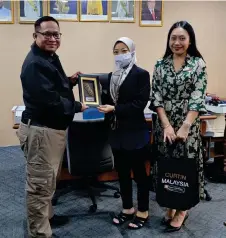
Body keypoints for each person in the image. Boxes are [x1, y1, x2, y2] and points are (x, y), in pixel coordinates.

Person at [16, 16, 88, 238]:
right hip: (41, 132)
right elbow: (51, 102)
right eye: (46, 33)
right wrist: (78, 105)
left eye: (56, 34)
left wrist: (70, 82)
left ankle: (47, 218)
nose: (52, 38)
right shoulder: (35, 63)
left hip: (50, 132)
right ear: (35, 35)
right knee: (39, 187)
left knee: (48, 181)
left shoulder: (47, 58)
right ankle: (39, 233)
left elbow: (53, 85)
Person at [150, 21, 207, 232]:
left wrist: (185, 126)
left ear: (190, 40)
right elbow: (155, 95)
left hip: (188, 124)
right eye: (173, 38)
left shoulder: (198, 65)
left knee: (185, 165)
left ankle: (182, 209)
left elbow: (197, 98)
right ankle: (170, 203)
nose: (177, 42)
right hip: (164, 122)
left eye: (182, 38)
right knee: (167, 164)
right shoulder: (160, 64)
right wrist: (165, 125)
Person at [98, 37, 150, 230]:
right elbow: (107, 99)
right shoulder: (112, 76)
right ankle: (127, 208)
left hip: (134, 133)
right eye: (116, 51)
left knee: (139, 174)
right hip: (116, 133)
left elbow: (139, 105)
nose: (120, 55)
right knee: (122, 173)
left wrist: (115, 109)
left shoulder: (141, 74)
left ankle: (143, 210)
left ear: (132, 51)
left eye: (124, 50)